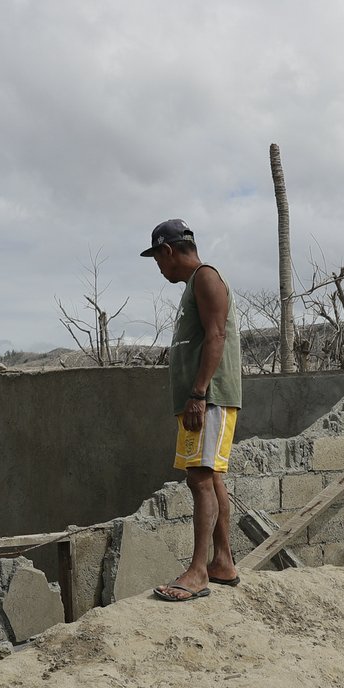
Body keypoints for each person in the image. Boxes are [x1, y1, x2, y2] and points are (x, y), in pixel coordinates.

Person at [142, 218, 242, 602]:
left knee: (199, 479)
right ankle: (223, 563)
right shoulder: (194, 284)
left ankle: (199, 571)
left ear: (168, 251)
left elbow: (217, 335)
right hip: (203, 397)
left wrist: (199, 393)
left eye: (157, 260)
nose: (160, 268)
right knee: (210, 477)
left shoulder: (205, 278)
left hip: (210, 397)